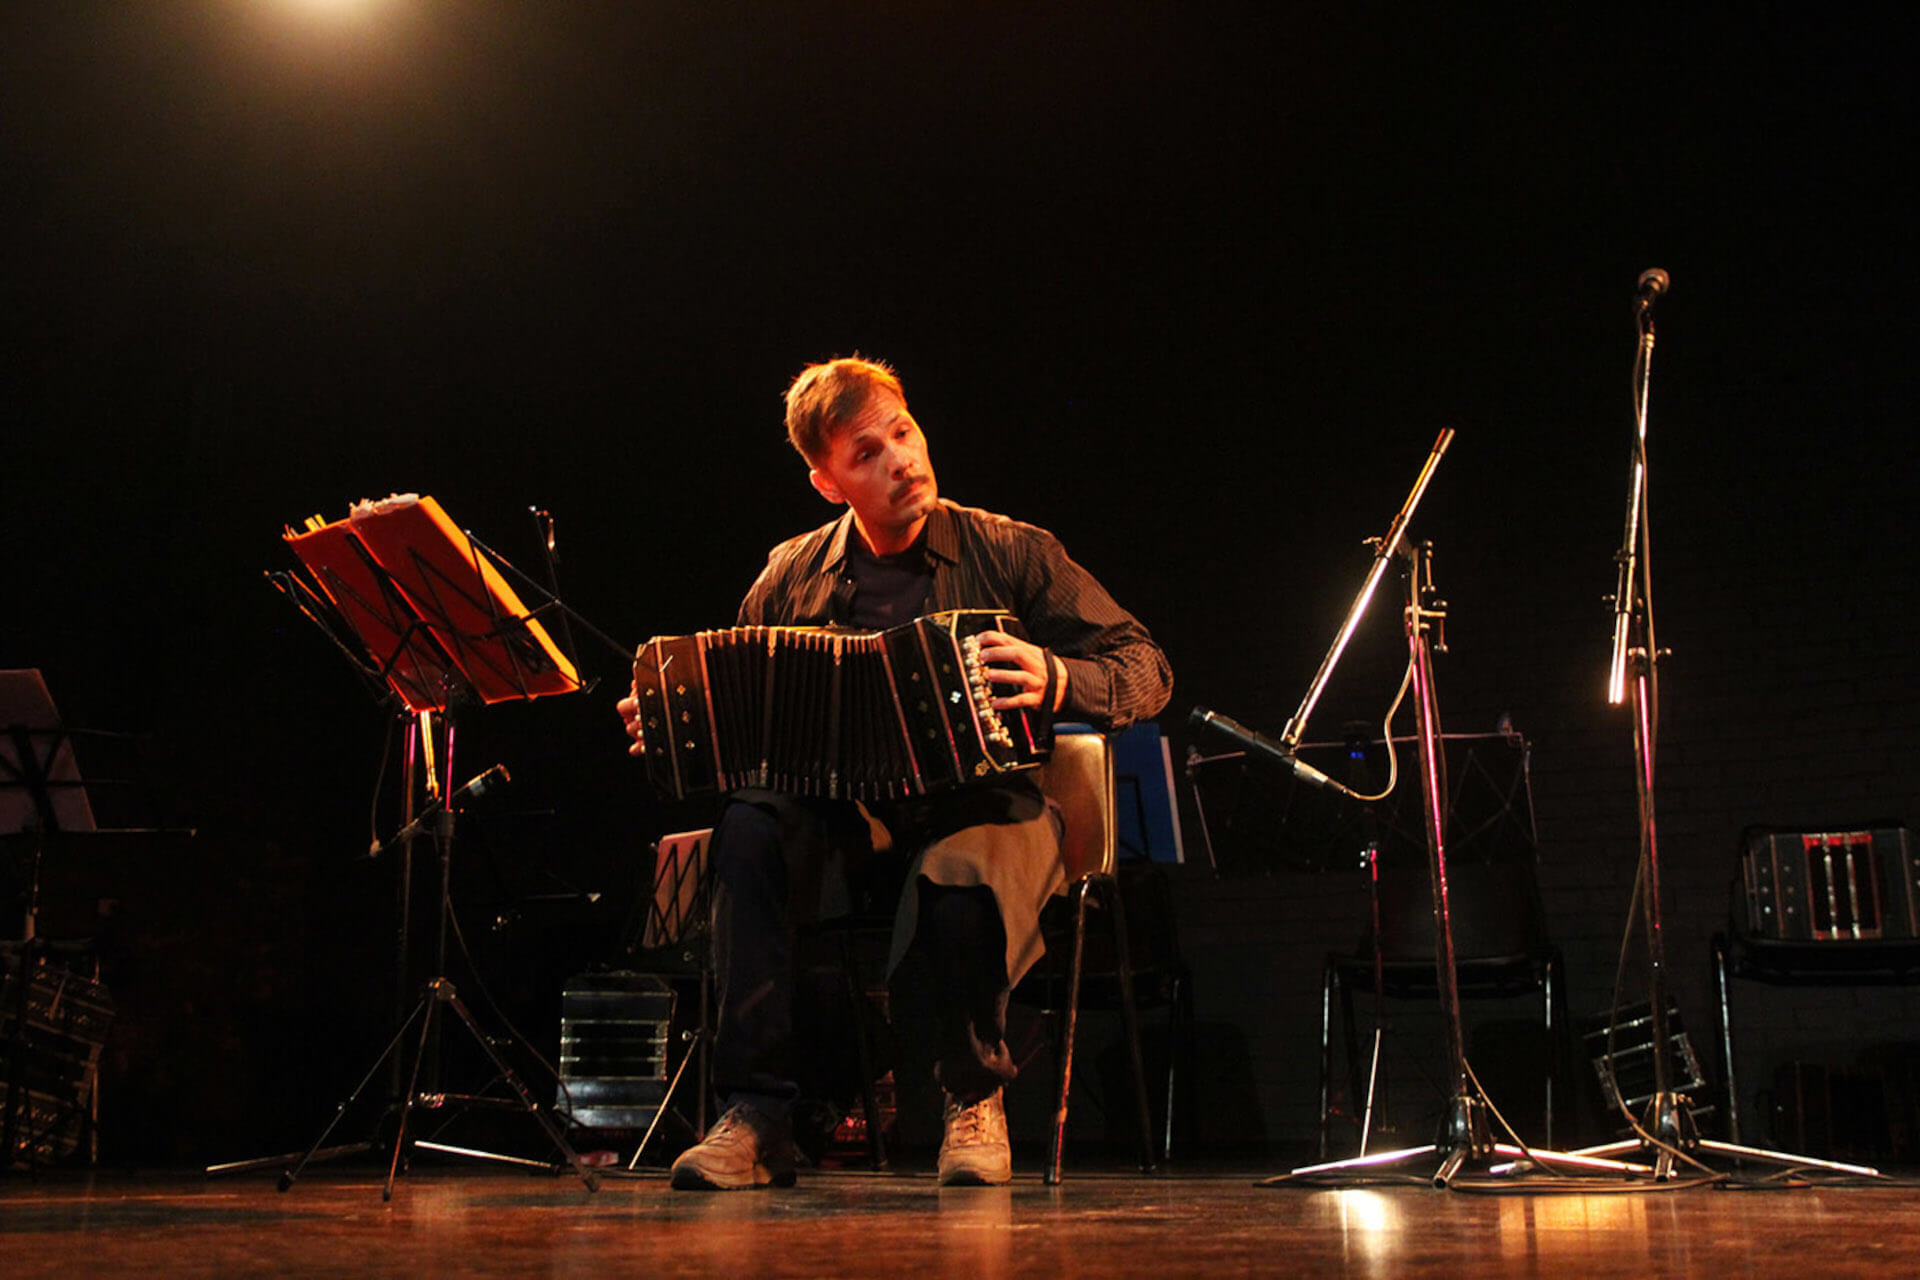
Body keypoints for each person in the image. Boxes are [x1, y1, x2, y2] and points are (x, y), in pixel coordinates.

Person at [618, 356, 1171, 1189]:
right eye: (866, 453)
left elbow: (1145, 665)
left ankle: (973, 1101)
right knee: (750, 824)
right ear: (827, 483)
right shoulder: (790, 572)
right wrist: (673, 723)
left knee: (964, 867)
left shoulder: (1013, 550)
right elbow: (739, 708)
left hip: (981, 802)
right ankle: (759, 1118)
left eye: (902, 434)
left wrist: (1060, 678)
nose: (900, 462)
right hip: (850, 820)